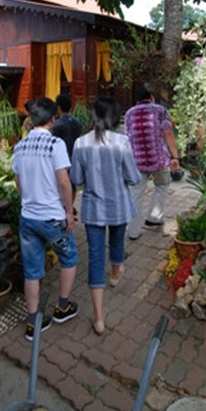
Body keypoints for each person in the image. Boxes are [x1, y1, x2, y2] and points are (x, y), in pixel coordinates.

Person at [70, 97, 140, 335]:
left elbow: (76, 179)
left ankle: (98, 316)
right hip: (118, 206)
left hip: (93, 209)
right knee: (117, 242)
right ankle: (116, 272)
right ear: (115, 117)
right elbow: (133, 177)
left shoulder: (80, 143)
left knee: (95, 257)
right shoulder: (122, 142)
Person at [12, 97, 79, 341]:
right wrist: (69, 211)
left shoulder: (20, 146)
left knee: (32, 270)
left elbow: (18, 180)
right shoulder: (55, 144)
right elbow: (63, 181)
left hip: (28, 217)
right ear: (53, 118)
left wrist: (27, 200)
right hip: (52, 218)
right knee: (69, 258)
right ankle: (62, 307)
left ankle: (33, 323)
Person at [124, 85, 182, 240]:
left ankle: (133, 231)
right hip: (159, 159)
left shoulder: (129, 113)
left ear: (137, 100)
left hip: (137, 161)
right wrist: (175, 157)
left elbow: (127, 138)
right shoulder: (160, 110)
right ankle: (154, 217)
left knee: (136, 194)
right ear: (151, 97)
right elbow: (168, 133)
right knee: (162, 185)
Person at [51, 94, 83, 211]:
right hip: (74, 157)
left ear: (58, 107)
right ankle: (69, 206)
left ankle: (61, 208)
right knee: (72, 185)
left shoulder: (57, 124)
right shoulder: (77, 122)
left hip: (61, 159)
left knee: (59, 184)